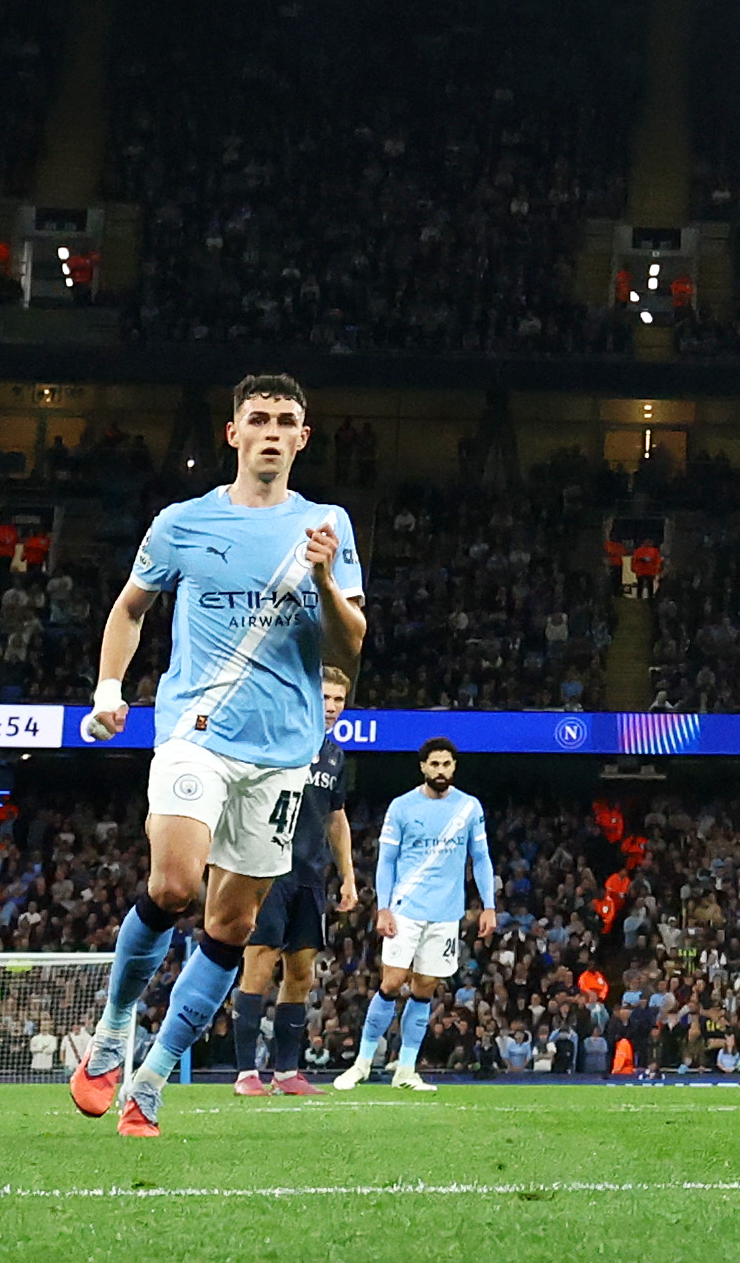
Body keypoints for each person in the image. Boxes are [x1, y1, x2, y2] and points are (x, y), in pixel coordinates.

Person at [73, 374, 368, 1135]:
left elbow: (350, 646)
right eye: (259, 418)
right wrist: (109, 689)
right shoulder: (180, 523)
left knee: (232, 927)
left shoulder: (327, 525)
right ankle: (113, 1027)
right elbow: (130, 607)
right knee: (173, 885)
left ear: (303, 439)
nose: (272, 430)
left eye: (288, 421)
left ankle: (153, 1075)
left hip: (282, 757)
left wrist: (326, 577)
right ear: (233, 433)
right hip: (195, 733)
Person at [231, 665, 359, 1093]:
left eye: (339, 700)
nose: (332, 707)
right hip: (267, 869)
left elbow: (336, 818)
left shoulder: (335, 755)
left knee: (301, 975)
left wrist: (348, 878)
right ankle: (246, 1073)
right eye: (325, 698)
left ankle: (286, 1072)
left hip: (310, 875)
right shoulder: (275, 737)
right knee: (259, 964)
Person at [346, 738, 495, 1091]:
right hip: (405, 908)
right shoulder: (401, 807)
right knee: (392, 982)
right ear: (423, 767)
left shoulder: (469, 808)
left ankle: (406, 1070)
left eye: (446, 764)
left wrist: (488, 905)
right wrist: (383, 907)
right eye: (434, 764)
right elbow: (387, 861)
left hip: (446, 914)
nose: (440, 770)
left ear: (454, 767)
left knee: (425, 989)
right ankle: (363, 1063)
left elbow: (482, 858)